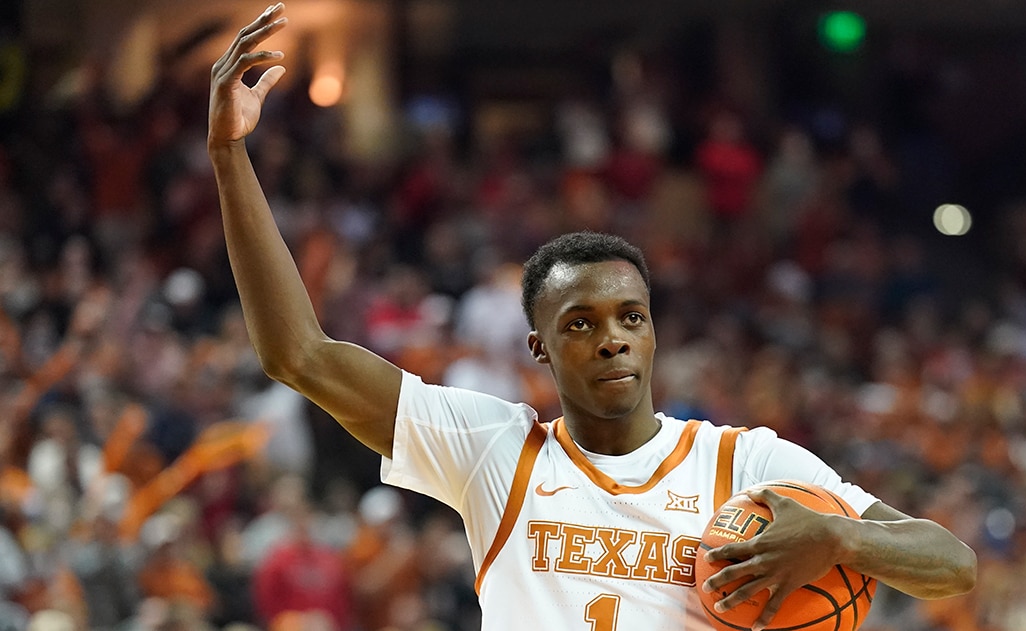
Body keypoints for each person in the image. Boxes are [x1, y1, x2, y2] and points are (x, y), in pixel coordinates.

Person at [208, 5, 977, 630]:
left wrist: (842, 534)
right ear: (539, 346)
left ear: (653, 331)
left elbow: (952, 563)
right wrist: (229, 156)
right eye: (581, 323)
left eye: (631, 317)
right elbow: (297, 353)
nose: (613, 338)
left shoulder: (743, 464)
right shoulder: (494, 451)